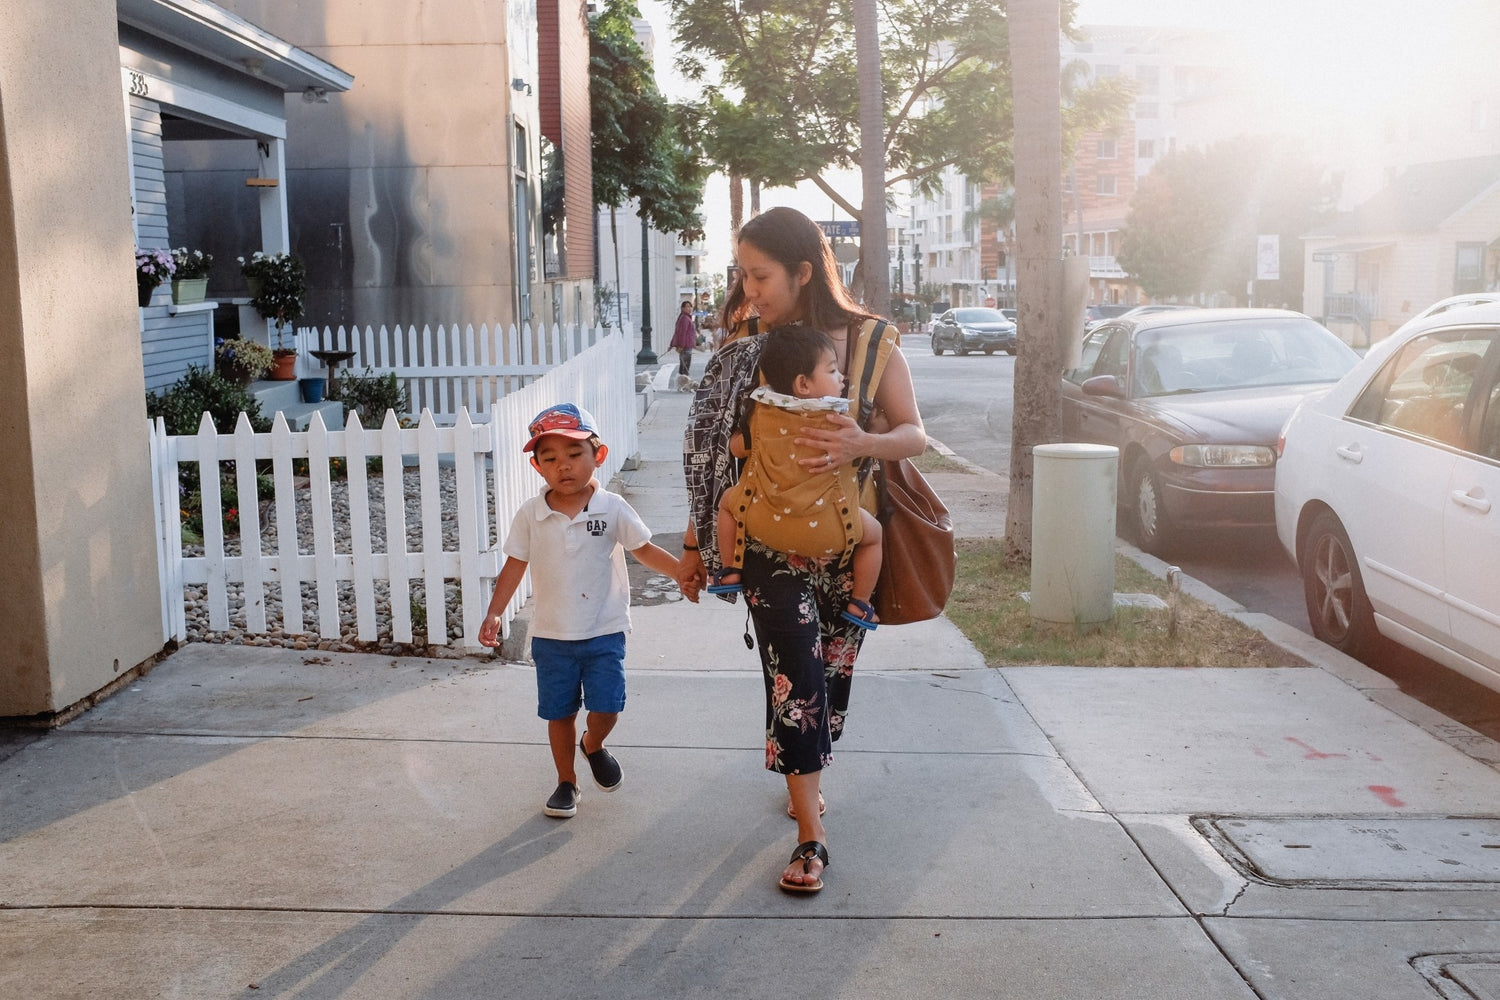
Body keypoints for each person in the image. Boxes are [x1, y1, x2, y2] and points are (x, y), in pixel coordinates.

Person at [677, 206, 925, 894]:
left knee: (827, 688)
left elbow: (914, 434)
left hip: (850, 549)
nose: (748, 289)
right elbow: (712, 454)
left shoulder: (872, 344)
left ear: (803, 272)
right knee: (797, 683)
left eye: (760, 275)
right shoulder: (748, 341)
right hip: (767, 549)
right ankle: (811, 838)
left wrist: (864, 442)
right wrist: (699, 542)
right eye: (743, 275)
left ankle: (803, 775)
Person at [477, 402, 681, 820]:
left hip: (604, 629)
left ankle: (594, 743)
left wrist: (683, 574)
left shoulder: (612, 508)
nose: (563, 466)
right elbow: (515, 563)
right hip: (552, 635)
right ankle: (566, 781)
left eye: (574, 454)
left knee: (608, 706)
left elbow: (643, 549)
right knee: (559, 712)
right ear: (537, 467)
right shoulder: (531, 515)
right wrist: (495, 612)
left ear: (598, 455)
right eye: (550, 458)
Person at [709, 324, 883, 631]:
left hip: (764, 525)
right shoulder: (840, 422)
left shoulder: (761, 415)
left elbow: (737, 448)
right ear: (803, 384)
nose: (841, 378)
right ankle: (861, 603)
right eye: (832, 371)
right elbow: (859, 454)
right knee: (874, 536)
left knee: (726, 505)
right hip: (830, 530)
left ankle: (730, 570)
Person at [671, 300, 697, 380]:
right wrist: (681, 346)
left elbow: (678, 332)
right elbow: (682, 333)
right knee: (685, 366)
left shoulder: (685, 317)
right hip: (685, 346)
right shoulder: (685, 318)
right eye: (687, 307)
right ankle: (683, 383)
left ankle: (682, 383)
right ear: (682, 308)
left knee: (683, 365)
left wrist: (672, 344)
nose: (689, 308)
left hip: (687, 345)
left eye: (690, 307)